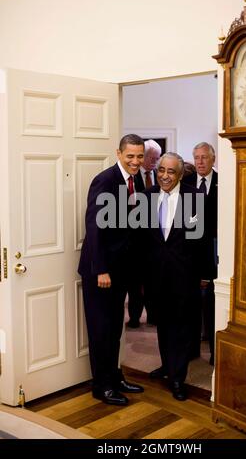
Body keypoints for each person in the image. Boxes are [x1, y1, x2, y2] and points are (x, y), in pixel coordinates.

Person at [78, 134, 145, 406]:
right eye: (130, 156)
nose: (135, 161)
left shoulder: (137, 179)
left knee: (115, 328)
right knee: (101, 330)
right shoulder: (105, 180)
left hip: (121, 271)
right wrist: (101, 269)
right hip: (100, 272)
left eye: (139, 156)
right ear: (118, 153)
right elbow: (94, 228)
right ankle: (101, 386)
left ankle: (115, 377)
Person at [143, 152, 213, 401]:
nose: (164, 175)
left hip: (185, 275)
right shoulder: (147, 196)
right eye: (161, 170)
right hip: (155, 275)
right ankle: (167, 365)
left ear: (181, 174)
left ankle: (177, 377)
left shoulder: (196, 197)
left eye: (171, 171)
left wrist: (206, 273)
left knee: (182, 327)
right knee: (162, 323)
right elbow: (143, 240)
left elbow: (203, 240)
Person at [183, 142, 218, 365]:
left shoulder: (223, 183)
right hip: (190, 253)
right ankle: (191, 349)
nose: (200, 162)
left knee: (212, 304)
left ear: (213, 159)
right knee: (190, 304)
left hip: (214, 252)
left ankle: (215, 352)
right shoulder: (185, 183)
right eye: (196, 157)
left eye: (204, 157)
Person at [126, 139, 162, 328]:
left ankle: (153, 316)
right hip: (134, 239)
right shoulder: (132, 178)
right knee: (134, 283)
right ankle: (133, 317)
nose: (155, 162)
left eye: (157, 158)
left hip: (153, 239)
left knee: (152, 282)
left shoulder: (157, 175)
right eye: (152, 158)